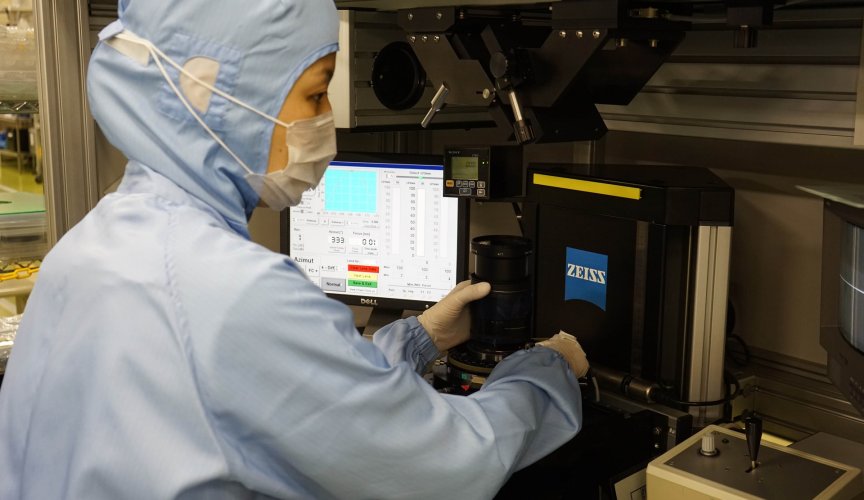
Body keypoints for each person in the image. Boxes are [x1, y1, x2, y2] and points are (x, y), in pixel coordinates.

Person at [0, 0, 590, 498]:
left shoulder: (98, 242)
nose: (325, 125)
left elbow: (281, 390)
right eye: (313, 96)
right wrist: (547, 370)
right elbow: (453, 463)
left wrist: (422, 336)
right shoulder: (231, 288)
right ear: (214, 94)